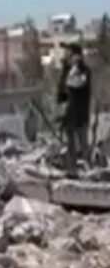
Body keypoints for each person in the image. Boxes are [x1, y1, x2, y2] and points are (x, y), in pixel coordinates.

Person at [57, 43, 91, 174]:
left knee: (83, 142)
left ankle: (87, 169)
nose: (67, 56)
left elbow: (76, 83)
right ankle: (72, 168)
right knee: (70, 143)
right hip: (69, 113)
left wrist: (74, 68)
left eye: (70, 54)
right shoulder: (66, 71)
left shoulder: (84, 71)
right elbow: (61, 93)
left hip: (81, 113)